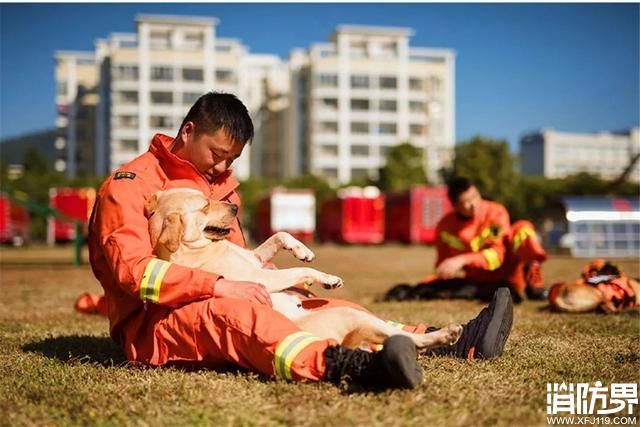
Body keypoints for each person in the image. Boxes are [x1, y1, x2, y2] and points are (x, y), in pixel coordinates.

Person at [88, 92, 514, 391]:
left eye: (232, 160)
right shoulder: (130, 185)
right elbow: (134, 272)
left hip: (223, 293)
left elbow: (237, 260)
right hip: (153, 325)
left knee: (328, 307)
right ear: (187, 130)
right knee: (243, 320)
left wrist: (276, 282)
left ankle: (455, 340)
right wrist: (219, 287)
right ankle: (354, 367)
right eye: (216, 153)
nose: (223, 167)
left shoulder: (220, 189)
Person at [387, 176, 547, 303]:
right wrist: (441, 275)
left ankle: (535, 283)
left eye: (475, 196)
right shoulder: (445, 226)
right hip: (477, 279)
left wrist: (461, 260)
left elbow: (497, 256)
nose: (474, 204)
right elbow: (443, 263)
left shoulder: (495, 212)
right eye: (467, 202)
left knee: (522, 227)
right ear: (455, 206)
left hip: (509, 274)